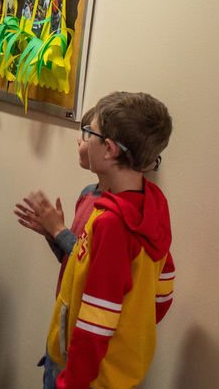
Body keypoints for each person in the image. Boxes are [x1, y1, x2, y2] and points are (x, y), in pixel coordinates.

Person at [41, 92, 174, 389]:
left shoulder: (111, 223)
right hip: (119, 370)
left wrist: (73, 382)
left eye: (90, 132)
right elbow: (164, 289)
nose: (85, 138)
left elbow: (95, 321)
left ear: (109, 149)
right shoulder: (153, 203)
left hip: (88, 377)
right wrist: (130, 329)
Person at [13, 108, 106, 389]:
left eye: (87, 134)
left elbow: (92, 266)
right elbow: (72, 261)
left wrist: (59, 231)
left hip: (84, 329)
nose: (79, 140)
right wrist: (53, 235)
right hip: (64, 319)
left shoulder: (112, 213)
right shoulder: (87, 193)